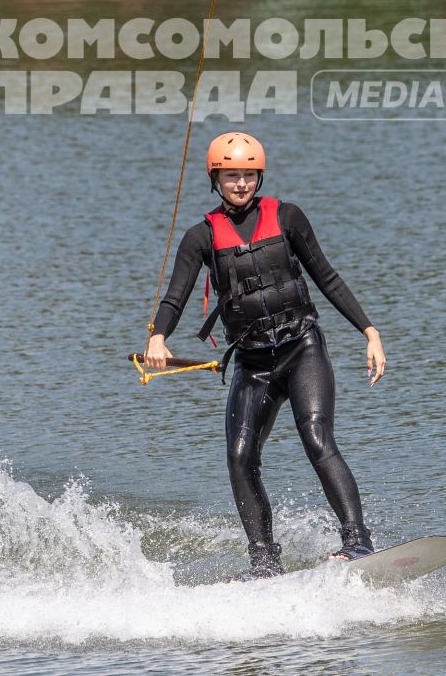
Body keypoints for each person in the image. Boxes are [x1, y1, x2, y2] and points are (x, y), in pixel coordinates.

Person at [141, 132, 386, 580]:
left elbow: (327, 277)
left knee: (316, 436)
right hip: (252, 364)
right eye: (231, 176)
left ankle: (357, 542)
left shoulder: (288, 217)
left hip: (302, 348)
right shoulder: (200, 237)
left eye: (248, 175)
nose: (241, 184)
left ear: (259, 176)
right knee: (239, 455)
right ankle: (264, 563)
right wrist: (158, 336)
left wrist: (368, 330)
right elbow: (175, 298)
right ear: (216, 178)